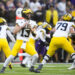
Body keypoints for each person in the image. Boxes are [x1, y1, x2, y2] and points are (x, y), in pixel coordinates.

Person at [0, 8, 40, 73]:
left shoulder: (32, 23)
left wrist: (30, 28)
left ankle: (32, 67)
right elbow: (14, 31)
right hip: (19, 41)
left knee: (36, 56)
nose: (29, 15)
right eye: (28, 14)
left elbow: (35, 35)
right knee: (11, 56)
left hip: (27, 42)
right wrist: (22, 26)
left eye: (30, 14)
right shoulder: (19, 21)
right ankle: (3, 68)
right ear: (24, 14)